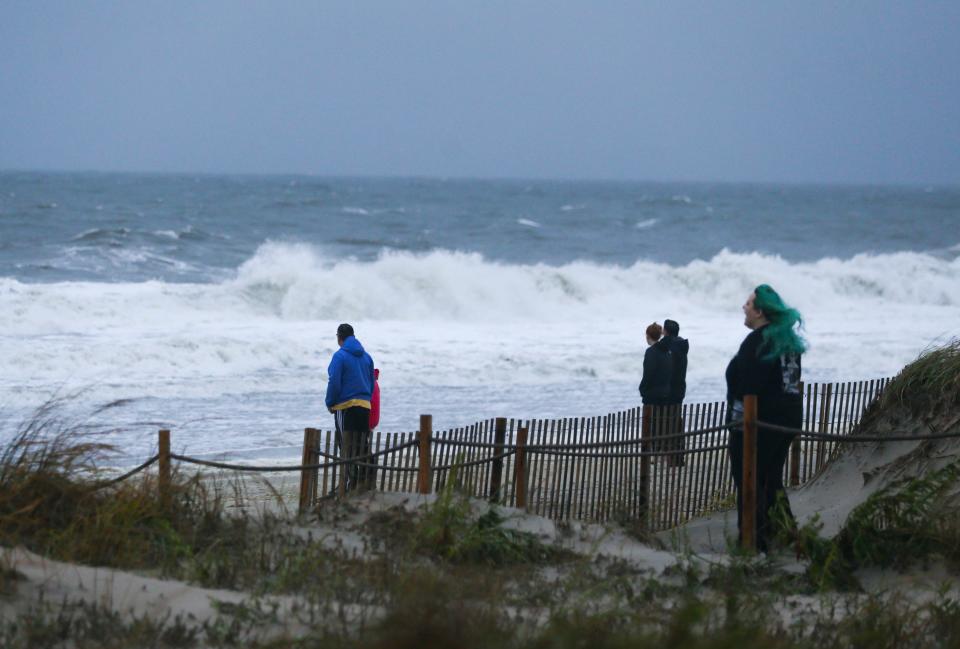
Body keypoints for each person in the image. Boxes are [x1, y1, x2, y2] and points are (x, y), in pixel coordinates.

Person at [726, 285, 805, 552]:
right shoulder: (787, 340)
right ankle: (785, 535)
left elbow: (750, 386)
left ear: (760, 312)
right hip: (789, 418)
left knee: (749, 479)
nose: (744, 307)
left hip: (759, 422)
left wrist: (739, 421)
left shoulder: (757, 341)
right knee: (770, 479)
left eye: (748, 304)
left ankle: (752, 541)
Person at [325, 323, 376, 493]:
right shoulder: (367, 357)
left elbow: (334, 381)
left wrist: (330, 402)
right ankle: (364, 483)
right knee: (362, 445)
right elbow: (371, 383)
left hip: (345, 406)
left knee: (345, 445)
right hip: (364, 405)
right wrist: (366, 399)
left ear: (339, 338)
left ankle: (348, 485)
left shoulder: (339, 356)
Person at [639, 322, 673, 459]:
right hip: (665, 390)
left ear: (648, 336)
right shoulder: (667, 351)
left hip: (652, 393)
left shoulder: (651, 352)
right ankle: (660, 450)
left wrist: (642, 389)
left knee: (651, 423)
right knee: (661, 422)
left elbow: (648, 373)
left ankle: (652, 452)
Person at [662, 319, 689, 467]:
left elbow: (668, 370)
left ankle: (672, 457)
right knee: (676, 422)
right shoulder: (681, 345)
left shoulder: (671, 348)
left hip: (670, 391)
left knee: (669, 424)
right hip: (679, 389)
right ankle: (677, 456)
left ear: (666, 331)